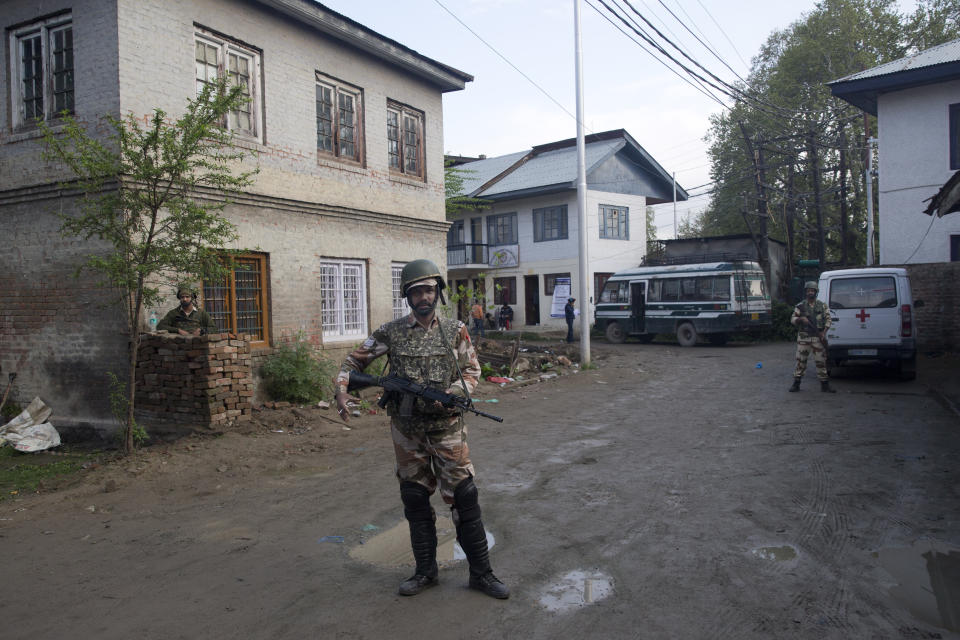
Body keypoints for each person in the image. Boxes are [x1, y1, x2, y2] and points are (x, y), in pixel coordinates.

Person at [334, 259, 509, 600]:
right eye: (417, 292)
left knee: (465, 498)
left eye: (429, 289)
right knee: (414, 498)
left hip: (447, 430)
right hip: (407, 431)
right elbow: (352, 363)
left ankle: (482, 574)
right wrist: (342, 390)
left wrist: (456, 394)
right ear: (408, 297)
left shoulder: (455, 329)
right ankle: (425, 572)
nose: (424, 297)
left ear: (438, 292)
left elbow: (472, 370)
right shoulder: (390, 332)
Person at [789, 281, 835, 393]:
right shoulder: (800, 306)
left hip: (817, 337)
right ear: (806, 292)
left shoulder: (822, 305)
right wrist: (801, 319)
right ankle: (796, 384)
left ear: (816, 292)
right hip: (804, 338)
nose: (810, 292)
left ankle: (825, 385)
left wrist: (824, 332)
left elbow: (829, 320)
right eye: (809, 290)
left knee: (821, 361)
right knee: (801, 361)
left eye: (812, 290)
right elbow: (793, 320)